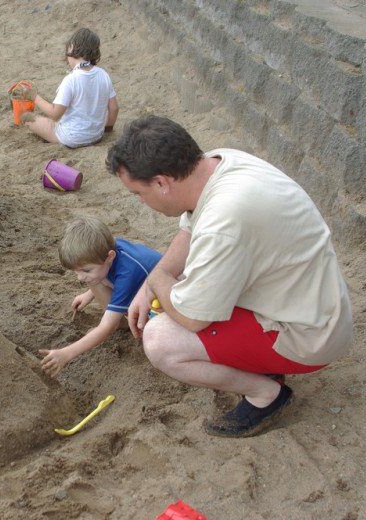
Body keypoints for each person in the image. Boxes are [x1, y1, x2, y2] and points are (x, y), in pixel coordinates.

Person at [105, 115, 353, 437]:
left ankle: (266, 393)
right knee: (179, 286)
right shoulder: (217, 164)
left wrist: (155, 282)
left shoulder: (225, 219)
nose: (140, 200)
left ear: (162, 183)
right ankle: (263, 366)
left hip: (309, 336)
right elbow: (192, 228)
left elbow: (193, 318)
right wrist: (159, 274)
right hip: (310, 303)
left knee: (161, 339)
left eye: (137, 192)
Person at [39, 216, 161, 377]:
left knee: (152, 334)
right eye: (76, 271)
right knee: (94, 280)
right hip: (139, 287)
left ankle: (119, 321)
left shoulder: (127, 272)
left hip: (162, 298)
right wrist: (89, 295)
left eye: (85, 270)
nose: (79, 277)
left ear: (110, 256)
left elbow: (105, 329)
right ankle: (120, 321)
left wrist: (66, 353)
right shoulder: (104, 248)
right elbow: (103, 273)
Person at [16, 28, 118, 148]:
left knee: (27, 119)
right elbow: (114, 108)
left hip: (71, 138)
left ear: (72, 48)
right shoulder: (104, 75)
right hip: (96, 136)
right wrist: (107, 129)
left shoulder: (71, 80)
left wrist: (33, 96)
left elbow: (55, 114)